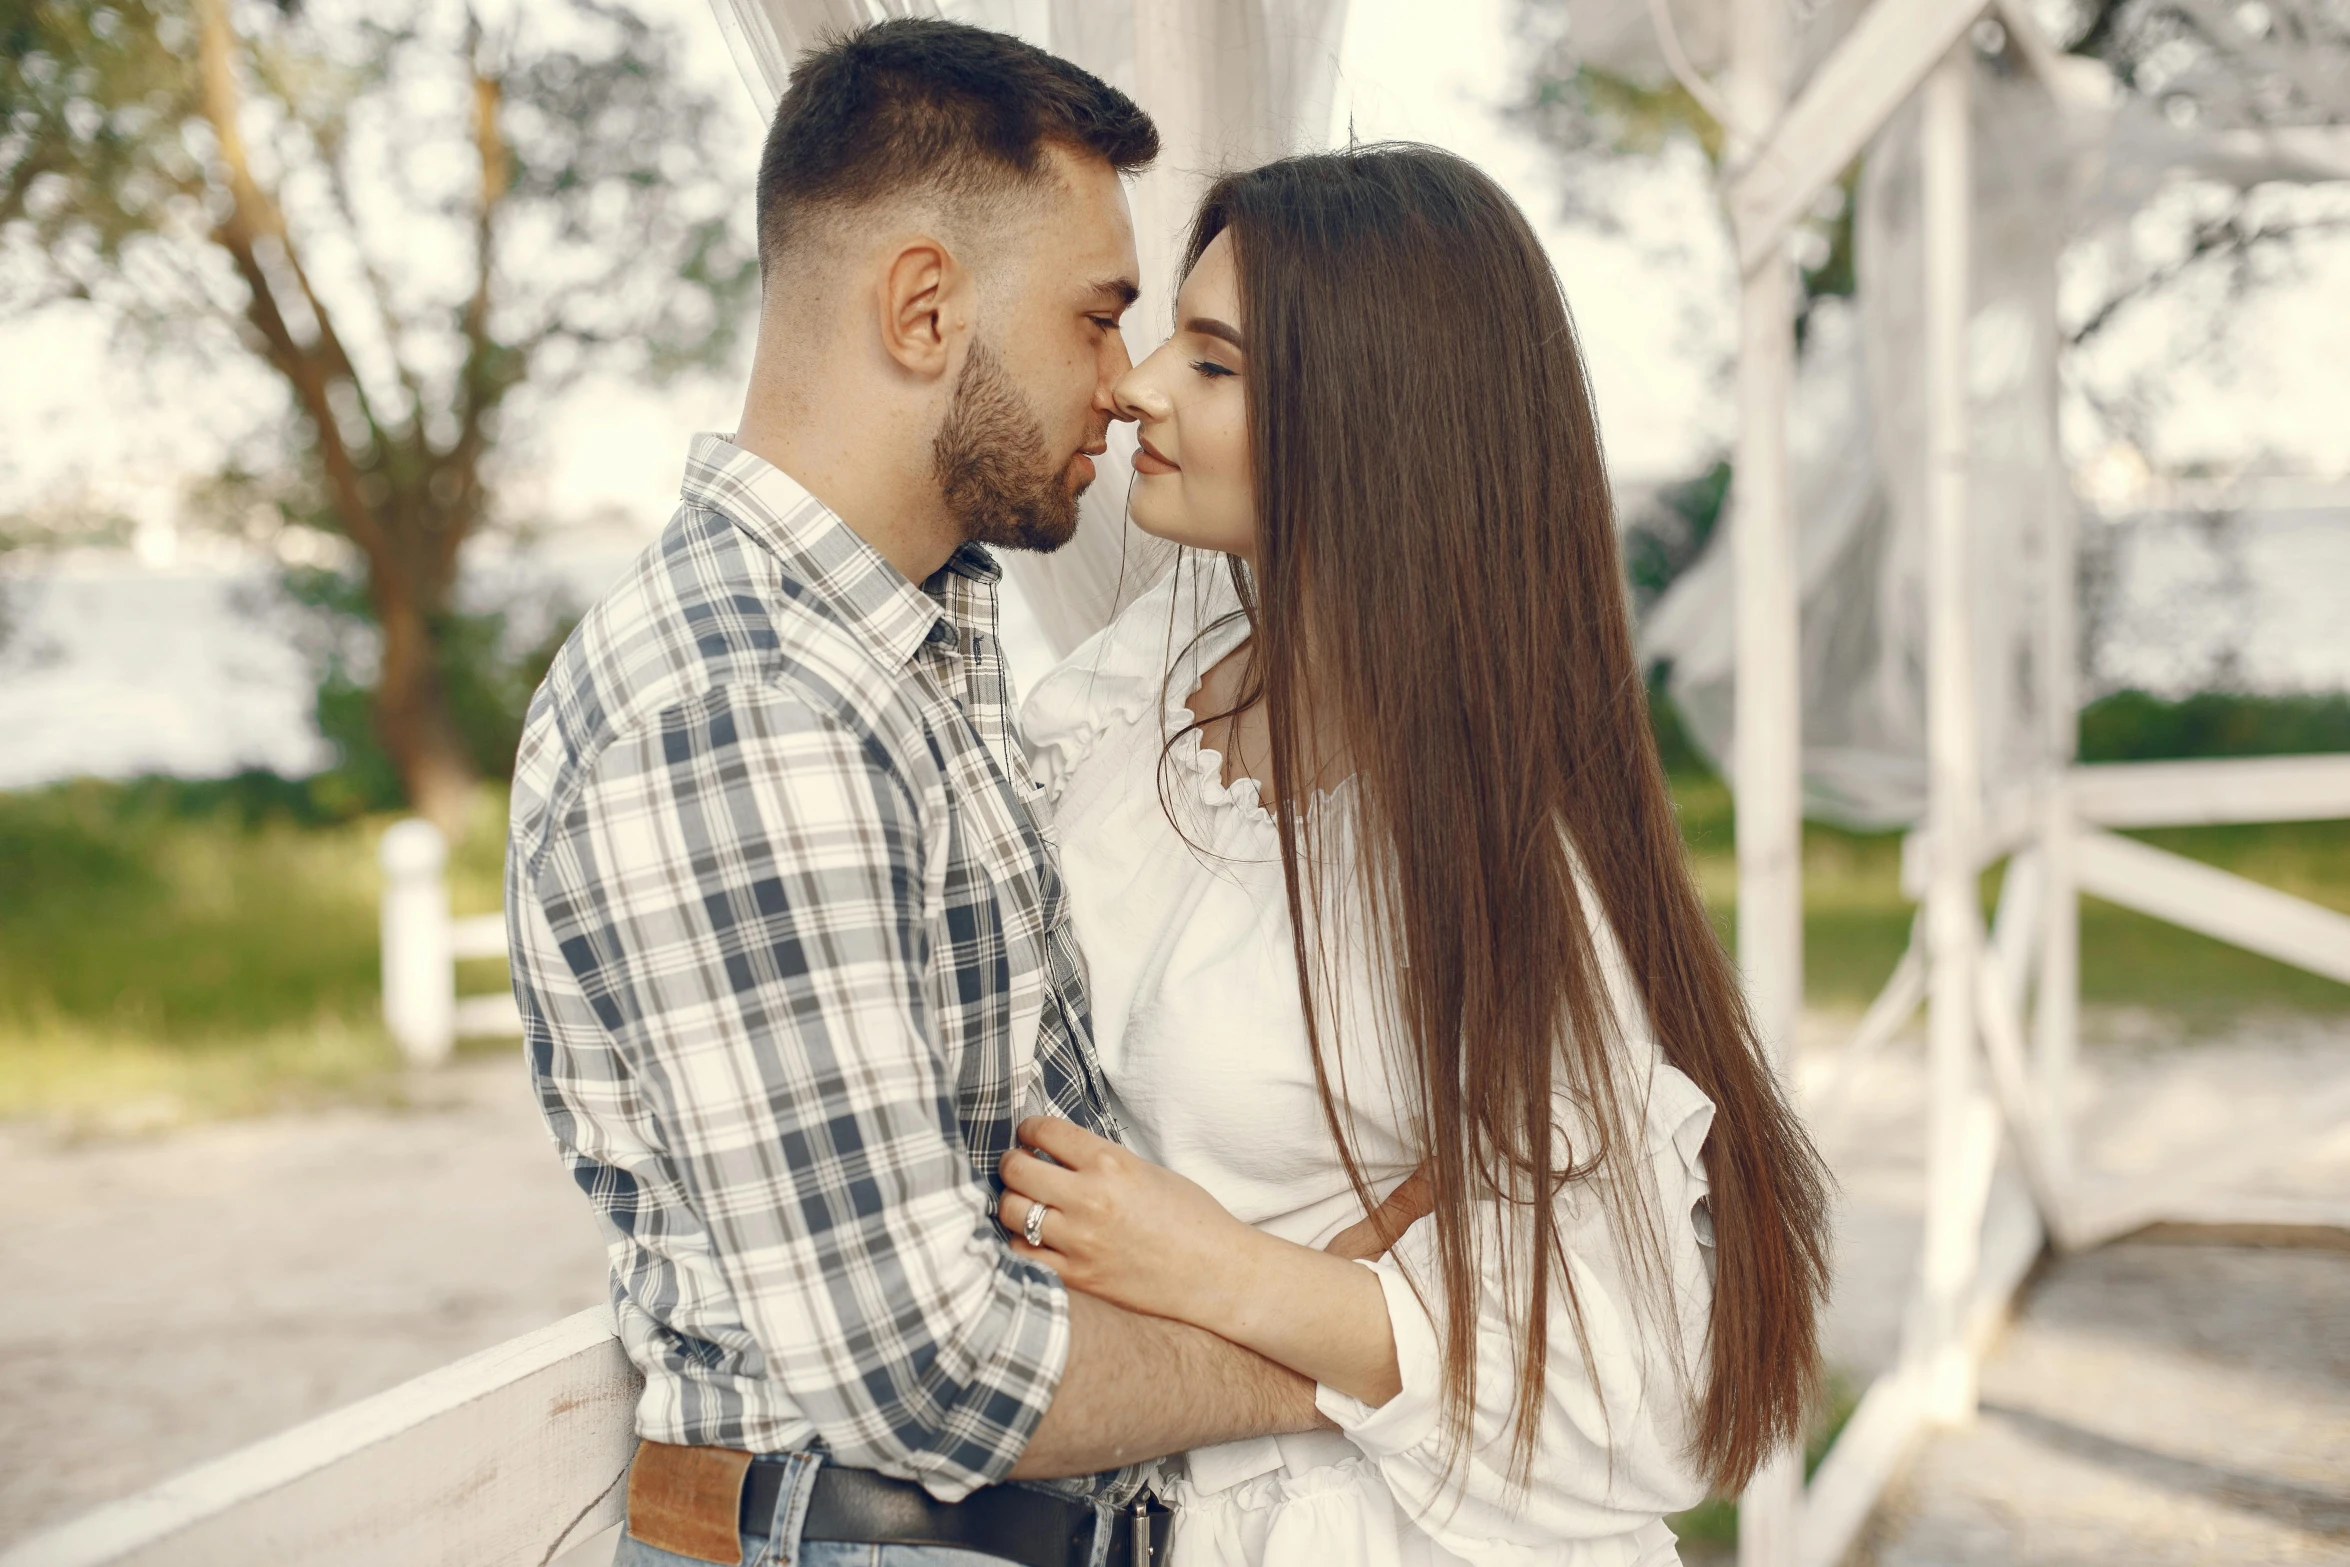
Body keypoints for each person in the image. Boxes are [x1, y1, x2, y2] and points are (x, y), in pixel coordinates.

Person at [505, 21, 1399, 1567]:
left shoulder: (908, 644)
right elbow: (929, 1368)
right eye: (1097, 317)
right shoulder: (747, 709)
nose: (1122, 391)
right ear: (924, 308)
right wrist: (1365, 1369)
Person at [1000, 147, 1834, 1565]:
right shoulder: (1131, 692)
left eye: (1212, 364)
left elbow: (1648, 1391)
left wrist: (1227, 1272)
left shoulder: (1482, 852)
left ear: (1371, 421)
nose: (1137, 385)